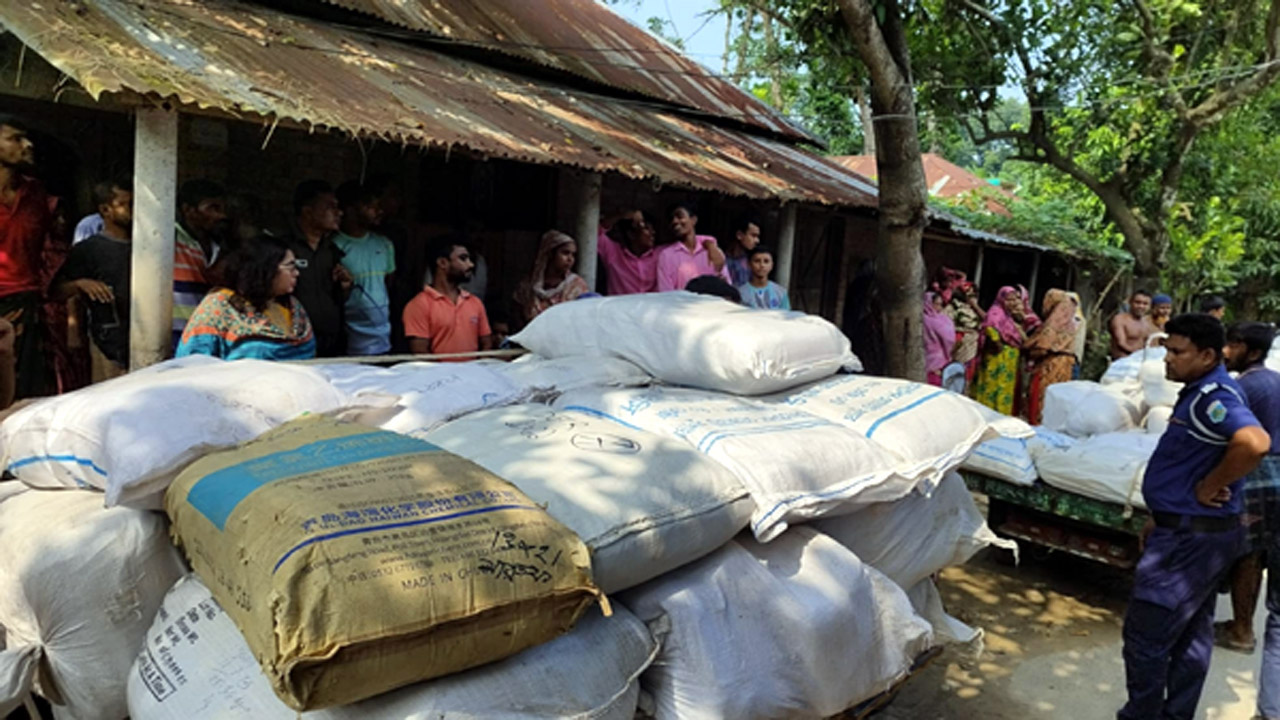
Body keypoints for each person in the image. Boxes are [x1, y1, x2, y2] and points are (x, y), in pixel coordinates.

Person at [1118, 313, 1269, 720]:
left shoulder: (1213, 398)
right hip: (1193, 531)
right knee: (1190, 637)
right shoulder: (1201, 390)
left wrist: (1207, 486)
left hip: (1188, 544)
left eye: (1177, 351)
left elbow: (1254, 443)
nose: (1167, 359)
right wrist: (1163, 512)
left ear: (1206, 355)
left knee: (1146, 636)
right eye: (1167, 349)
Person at [1213, 323, 1280, 655]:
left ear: (1253, 352)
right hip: (1275, 473)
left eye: (1234, 345)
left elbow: (1233, 438)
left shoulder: (1246, 387)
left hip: (1259, 473)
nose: (1226, 351)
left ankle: (1241, 630)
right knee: (1256, 553)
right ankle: (1241, 625)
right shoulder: (1273, 380)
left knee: (1246, 554)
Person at [176, 236, 314, 360]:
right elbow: (192, 362)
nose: (296, 273)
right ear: (266, 268)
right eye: (290, 266)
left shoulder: (294, 308)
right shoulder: (220, 306)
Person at [52, 179, 132, 380]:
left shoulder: (149, 245)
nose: (134, 210)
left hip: (146, 335)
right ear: (105, 210)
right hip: (107, 341)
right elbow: (57, 290)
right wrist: (81, 285)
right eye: (127, 204)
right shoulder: (89, 249)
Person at [0, 114, 55, 398]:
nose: (27, 144)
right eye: (15, 138)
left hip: (27, 301)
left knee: (23, 394)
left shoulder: (35, 193)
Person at [283, 180, 353, 358]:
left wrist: (345, 287)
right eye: (331, 207)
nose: (339, 213)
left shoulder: (331, 251)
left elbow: (336, 298)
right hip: (294, 341)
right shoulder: (283, 248)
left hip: (332, 341)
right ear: (308, 212)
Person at [403, 236, 493, 359]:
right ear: (442, 263)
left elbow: (487, 345)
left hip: (472, 375)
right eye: (463, 258)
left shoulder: (475, 302)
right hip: (436, 377)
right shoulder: (418, 305)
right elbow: (421, 354)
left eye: (470, 259)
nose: (471, 264)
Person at [332, 181, 395, 356]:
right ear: (351, 210)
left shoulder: (384, 244)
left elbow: (388, 284)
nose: (379, 211)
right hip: (348, 339)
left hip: (382, 337)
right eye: (370, 207)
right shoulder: (333, 246)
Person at [173, 180, 230, 348]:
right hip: (174, 335)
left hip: (206, 338)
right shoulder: (172, 236)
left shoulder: (219, 246)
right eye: (212, 208)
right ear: (188, 210)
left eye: (222, 209)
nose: (221, 216)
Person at [1023, 289, 1081, 424]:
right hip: (1067, 365)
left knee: (1043, 400)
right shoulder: (1072, 322)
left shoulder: (1054, 323)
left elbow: (1042, 347)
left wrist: (1027, 348)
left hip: (1051, 366)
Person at [971, 286, 1026, 415]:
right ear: (1001, 299)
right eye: (1008, 300)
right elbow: (990, 328)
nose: (1012, 303)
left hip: (1007, 362)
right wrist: (997, 343)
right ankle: (989, 415)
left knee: (1003, 390)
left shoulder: (1007, 315)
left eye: (1014, 300)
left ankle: (1000, 416)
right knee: (993, 388)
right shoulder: (996, 312)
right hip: (998, 359)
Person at [514, 230, 589, 323]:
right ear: (550, 254)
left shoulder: (576, 286)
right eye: (565, 253)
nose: (570, 259)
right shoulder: (528, 285)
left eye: (573, 255)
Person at [656, 201, 729, 291]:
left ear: (693, 220)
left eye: (680, 216)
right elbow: (665, 293)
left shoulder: (711, 252)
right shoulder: (666, 256)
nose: (674, 221)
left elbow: (726, 286)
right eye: (671, 219)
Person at [598, 210, 658, 295]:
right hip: (621, 307)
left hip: (649, 307)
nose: (652, 233)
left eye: (653, 229)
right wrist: (621, 215)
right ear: (631, 234)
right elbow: (592, 233)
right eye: (647, 229)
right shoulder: (613, 253)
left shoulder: (660, 255)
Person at [946, 280, 986, 384]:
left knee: (970, 369)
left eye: (974, 295)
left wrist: (975, 306)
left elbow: (987, 320)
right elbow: (946, 323)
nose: (972, 297)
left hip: (973, 341)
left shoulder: (975, 309)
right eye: (969, 295)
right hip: (961, 340)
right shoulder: (953, 307)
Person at [737, 245, 790, 310]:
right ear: (749, 264)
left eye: (766, 261)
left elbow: (785, 316)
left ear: (772, 265)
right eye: (757, 261)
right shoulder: (740, 293)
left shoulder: (781, 292)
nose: (762, 265)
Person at [923, 290, 957, 386]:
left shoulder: (920, 319)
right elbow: (949, 340)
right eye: (936, 304)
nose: (939, 308)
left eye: (940, 305)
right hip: (938, 361)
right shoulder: (940, 321)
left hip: (926, 360)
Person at [1110, 290, 1155, 359]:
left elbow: (1149, 345)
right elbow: (1121, 343)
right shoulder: (1120, 319)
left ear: (1149, 306)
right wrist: (1139, 355)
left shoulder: (1147, 323)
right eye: (1137, 302)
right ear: (1130, 302)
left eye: (1145, 304)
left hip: (1141, 362)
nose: (1141, 306)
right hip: (1122, 362)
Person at [724, 216, 761, 288]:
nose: (757, 240)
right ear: (739, 235)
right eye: (753, 235)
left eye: (757, 236)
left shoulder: (752, 262)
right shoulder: (721, 259)